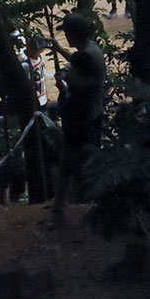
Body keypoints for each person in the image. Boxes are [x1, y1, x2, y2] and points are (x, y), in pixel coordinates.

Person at [46, 13, 106, 229]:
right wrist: (60, 51)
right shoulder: (91, 50)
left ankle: (64, 209)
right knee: (74, 164)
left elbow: (72, 98)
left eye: (68, 34)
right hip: (90, 116)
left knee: (75, 165)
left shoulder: (86, 61)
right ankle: (61, 205)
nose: (67, 38)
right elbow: (79, 62)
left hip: (82, 119)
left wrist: (63, 89)